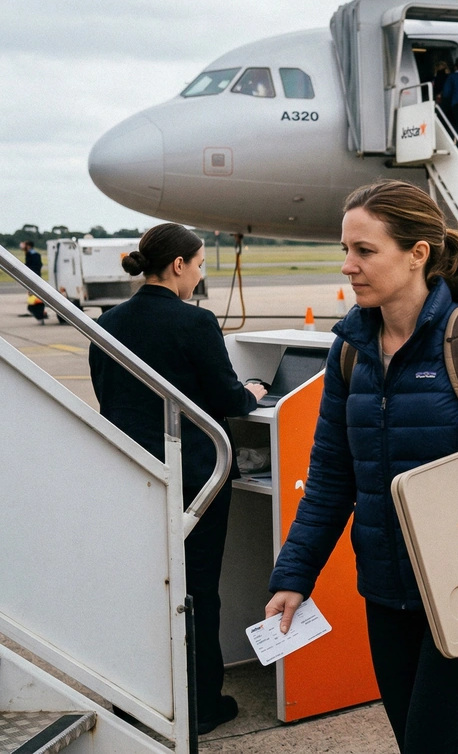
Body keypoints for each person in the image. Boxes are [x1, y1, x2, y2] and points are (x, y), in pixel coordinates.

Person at [265, 179, 458, 753]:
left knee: (429, 746)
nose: (349, 266)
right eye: (345, 251)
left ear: (417, 253)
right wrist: (293, 575)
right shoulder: (350, 350)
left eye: (365, 251)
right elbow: (330, 478)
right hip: (386, 590)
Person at [88, 223, 265, 735]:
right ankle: (201, 702)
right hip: (192, 478)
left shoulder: (109, 321)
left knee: (148, 585)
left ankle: (140, 696)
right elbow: (229, 398)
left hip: (131, 471)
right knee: (197, 588)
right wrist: (252, 391)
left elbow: (109, 395)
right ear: (179, 266)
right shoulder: (195, 322)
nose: (200, 275)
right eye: (201, 265)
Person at [19, 241, 47, 323]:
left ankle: (40, 316)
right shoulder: (36, 254)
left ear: (28, 246)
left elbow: (30, 266)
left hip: (32, 279)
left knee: (34, 298)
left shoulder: (30, 255)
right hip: (37, 277)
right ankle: (40, 315)